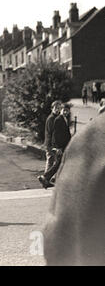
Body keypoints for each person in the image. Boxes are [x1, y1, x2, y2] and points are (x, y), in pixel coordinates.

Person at [43, 112, 105, 265]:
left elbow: (61, 242)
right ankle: (46, 177)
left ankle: (46, 177)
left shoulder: (91, 136)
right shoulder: (93, 136)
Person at [38, 103, 71, 189]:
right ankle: (46, 177)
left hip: (63, 146)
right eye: (64, 110)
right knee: (57, 163)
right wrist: (58, 147)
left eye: (67, 111)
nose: (65, 112)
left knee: (58, 163)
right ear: (61, 110)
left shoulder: (64, 119)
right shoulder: (58, 119)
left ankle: (48, 178)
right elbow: (55, 135)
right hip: (59, 146)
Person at [37, 100, 61, 188]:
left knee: (52, 160)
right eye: (56, 108)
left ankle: (47, 178)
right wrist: (54, 146)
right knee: (51, 160)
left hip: (51, 143)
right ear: (52, 108)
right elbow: (52, 133)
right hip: (50, 144)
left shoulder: (55, 118)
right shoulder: (51, 118)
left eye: (59, 108)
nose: (57, 110)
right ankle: (45, 179)